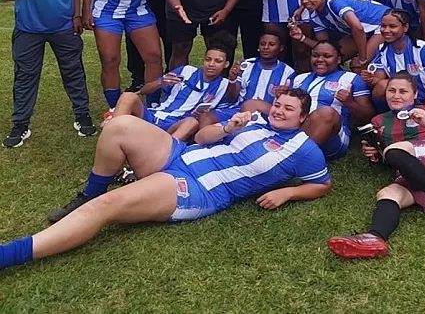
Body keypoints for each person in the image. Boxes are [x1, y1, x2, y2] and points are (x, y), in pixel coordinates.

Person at [0, 90, 331, 270]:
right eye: (278, 105)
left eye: (288, 109)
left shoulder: (304, 149)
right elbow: (201, 137)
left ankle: (8, 256)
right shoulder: (255, 120)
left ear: (303, 117)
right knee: (119, 126)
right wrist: (229, 127)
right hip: (181, 153)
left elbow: (322, 185)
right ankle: (89, 192)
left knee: (108, 206)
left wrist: (288, 193)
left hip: (199, 187)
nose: (279, 111)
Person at [327, 72, 425, 259]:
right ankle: (375, 237)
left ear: (415, 94)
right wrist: (373, 153)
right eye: (391, 90)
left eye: (403, 91)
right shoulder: (378, 121)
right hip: (415, 172)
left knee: (395, 150)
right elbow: (390, 159)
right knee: (387, 193)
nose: (396, 95)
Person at [2, 0, 96, 148]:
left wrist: (77, 15)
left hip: (64, 25)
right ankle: (20, 124)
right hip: (28, 26)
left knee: (73, 71)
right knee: (25, 75)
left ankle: (82, 115)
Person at [107, 32, 236, 140]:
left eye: (218, 61)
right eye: (208, 59)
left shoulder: (225, 86)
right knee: (128, 96)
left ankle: (164, 150)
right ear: (203, 60)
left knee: (191, 122)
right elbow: (144, 91)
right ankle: (112, 134)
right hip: (155, 114)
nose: (211, 64)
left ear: (226, 64)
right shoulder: (186, 71)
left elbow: (224, 110)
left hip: (176, 125)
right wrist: (160, 82)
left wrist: (203, 114)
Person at [283, 41, 375, 160]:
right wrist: (281, 96)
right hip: (297, 127)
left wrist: (349, 103)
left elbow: (368, 115)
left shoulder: (352, 79)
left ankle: (295, 158)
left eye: (327, 56)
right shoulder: (300, 78)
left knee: (327, 112)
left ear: (338, 59)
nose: (320, 59)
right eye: (315, 55)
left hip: (331, 136)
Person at [291, 0, 389, 71]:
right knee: (333, 56)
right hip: (364, 31)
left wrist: (362, 59)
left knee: (359, 66)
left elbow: (357, 28)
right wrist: (302, 38)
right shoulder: (314, 16)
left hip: (382, 23)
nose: (304, 1)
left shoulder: (335, 2)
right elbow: (325, 46)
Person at [206, 32, 296, 122]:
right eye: (262, 44)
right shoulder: (246, 65)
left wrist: (283, 95)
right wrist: (232, 80)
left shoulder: (288, 72)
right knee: (206, 117)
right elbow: (231, 98)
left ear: (281, 48)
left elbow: (291, 104)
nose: (266, 47)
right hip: (238, 110)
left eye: (271, 44)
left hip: (267, 114)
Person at [363, 9, 425, 105]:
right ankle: (390, 113)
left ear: (405, 27)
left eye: (392, 26)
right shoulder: (382, 49)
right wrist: (370, 79)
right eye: (383, 26)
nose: (386, 30)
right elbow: (380, 83)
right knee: (381, 86)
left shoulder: (422, 49)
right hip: (401, 103)